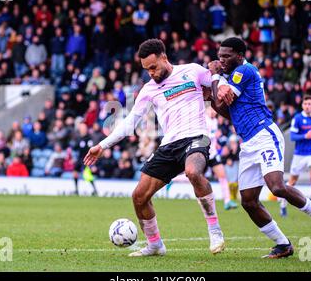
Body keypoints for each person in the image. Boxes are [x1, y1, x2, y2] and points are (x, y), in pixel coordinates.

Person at [84, 39, 226, 257]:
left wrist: (218, 77)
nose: (150, 72)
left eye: (153, 67)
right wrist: (101, 146)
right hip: (169, 144)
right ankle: (155, 245)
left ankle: (215, 230)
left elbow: (219, 83)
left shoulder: (192, 71)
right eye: (146, 69)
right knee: (139, 197)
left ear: (164, 58)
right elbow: (130, 122)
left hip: (197, 136)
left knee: (192, 172)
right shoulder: (149, 90)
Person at [209, 37, 311, 259]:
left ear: (240, 55)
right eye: (219, 55)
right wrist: (213, 96)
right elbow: (227, 111)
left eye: (226, 56)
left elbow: (222, 101)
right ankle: (283, 244)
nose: (221, 59)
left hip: (264, 135)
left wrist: (214, 76)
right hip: (248, 142)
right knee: (249, 201)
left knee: (277, 187)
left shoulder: (245, 70)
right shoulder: (233, 76)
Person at [280, 95, 311, 217]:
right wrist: (304, 136)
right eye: (305, 104)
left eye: (309, 104)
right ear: (302, 105)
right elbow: (292, 136)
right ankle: (283, 204)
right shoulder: (297, 118)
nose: (307, 106)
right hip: (299, 155)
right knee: (292, 182)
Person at [205, 107, 238, 210]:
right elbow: (202, 136)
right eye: (211, 110)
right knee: (196, 178)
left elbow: (214, 139)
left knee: (223, 176)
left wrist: (217, 144)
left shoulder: (215, 121)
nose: (213, 112)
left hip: (213, 154)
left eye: (214, 110)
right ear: (206, 110)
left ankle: (227, 201)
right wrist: (213, 135)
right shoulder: (203, 120)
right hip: (202, 154)